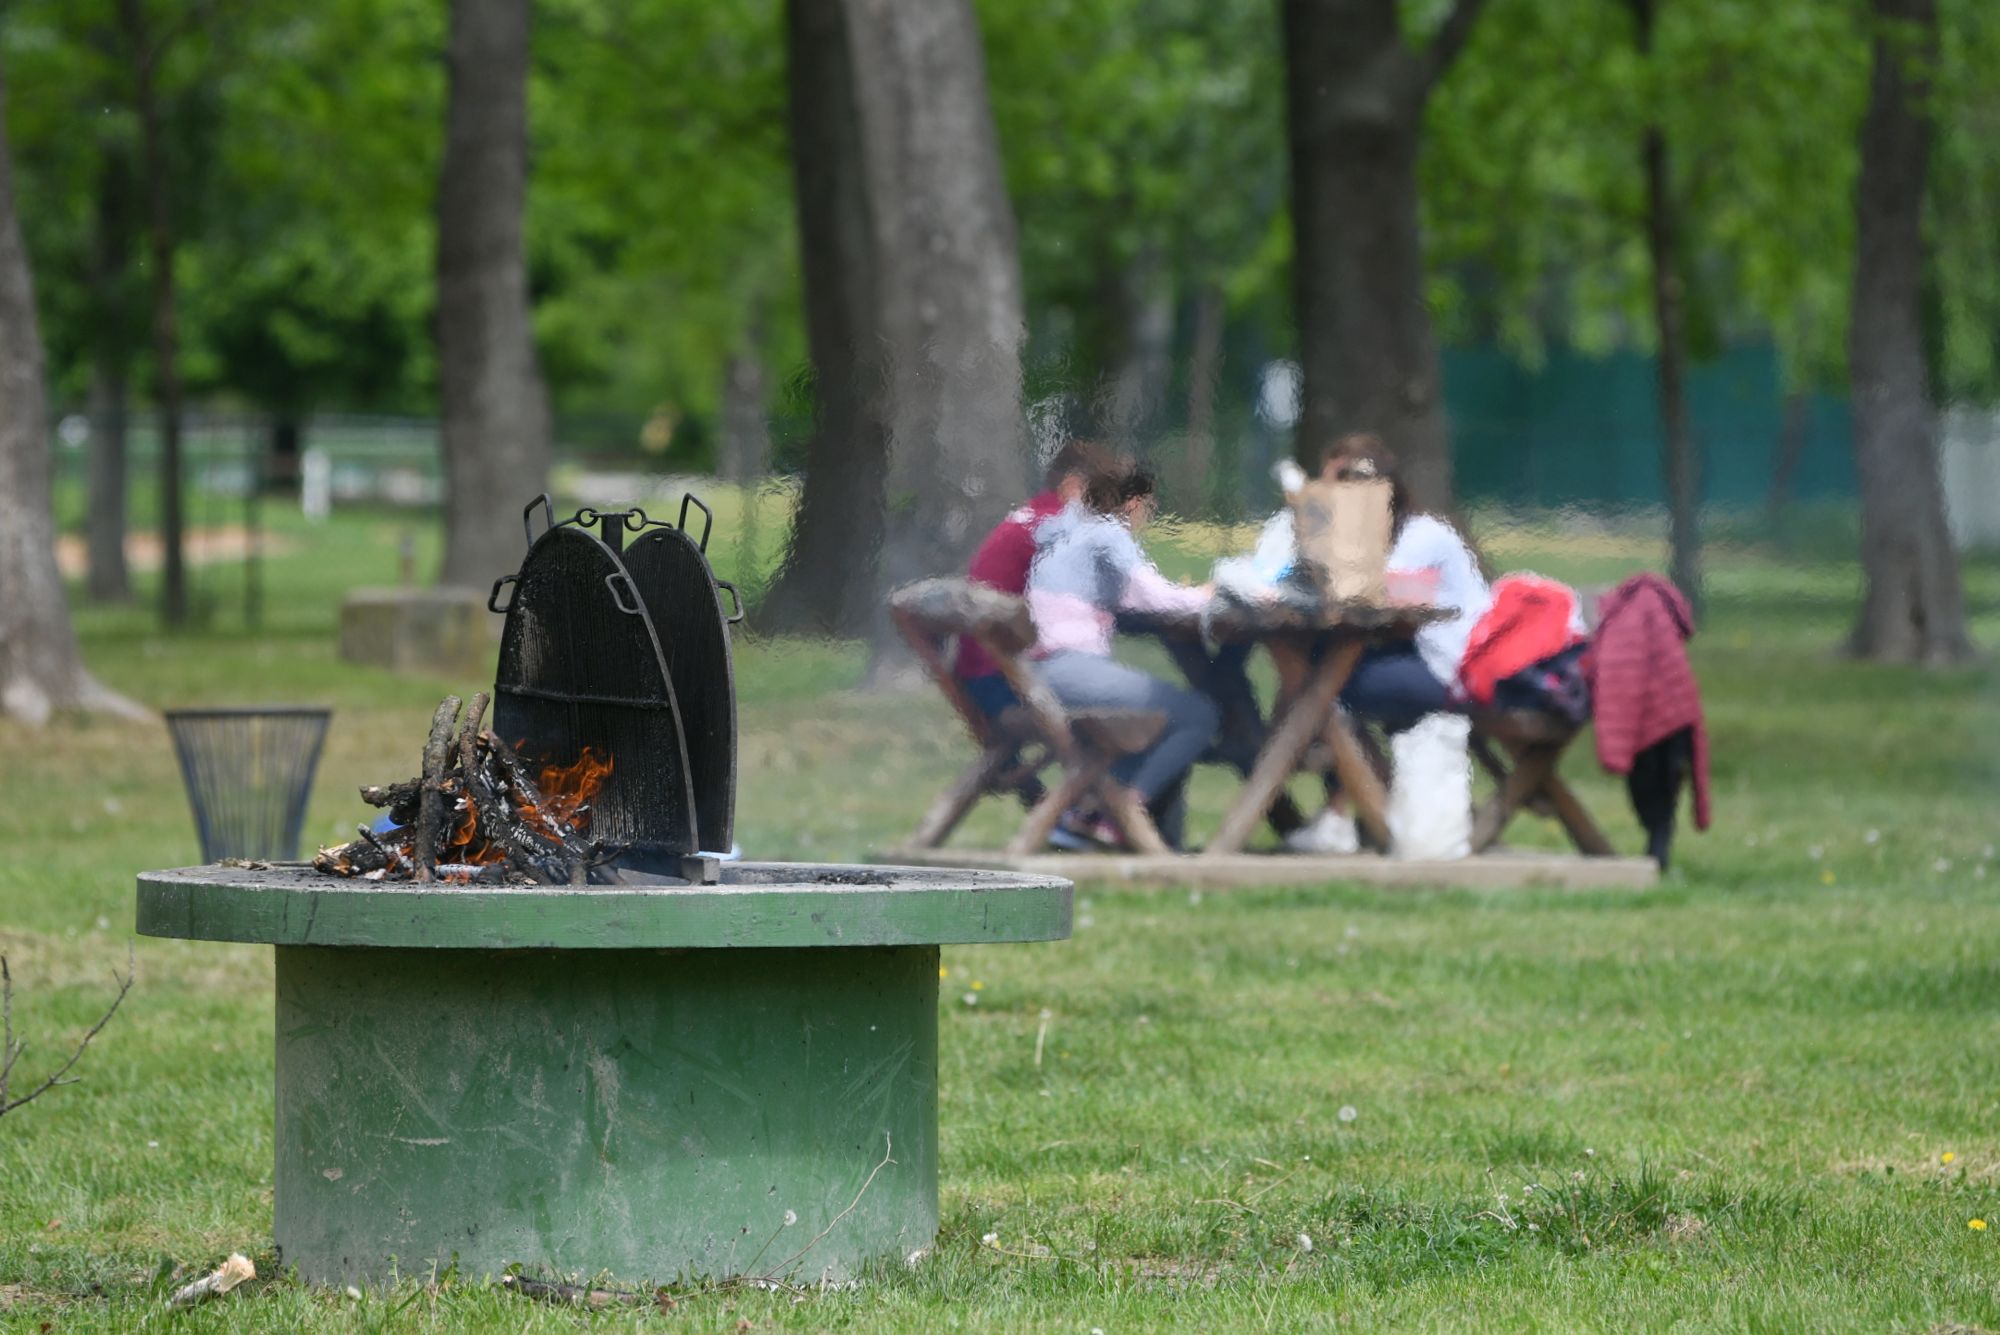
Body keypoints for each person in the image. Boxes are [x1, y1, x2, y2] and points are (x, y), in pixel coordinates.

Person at [1025, 464, 1218, 850]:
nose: (1148, 515)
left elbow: (1126, 595)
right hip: (1068, 669)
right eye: (1149, 507)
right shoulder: (1106, 534)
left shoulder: (1065, 531)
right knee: (1199, 714)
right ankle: (1120, 811)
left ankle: (1103, 816)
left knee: (1168, 715)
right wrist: (1210, 594)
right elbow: (1155, 597)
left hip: (1040, 671)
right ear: (1132, 504)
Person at [955, 440, 1118, 719]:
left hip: (985, 676)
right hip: (1011, 684)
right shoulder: (1055, 529)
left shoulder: (1033, 516)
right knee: (1154, 704)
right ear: (1073, 487)